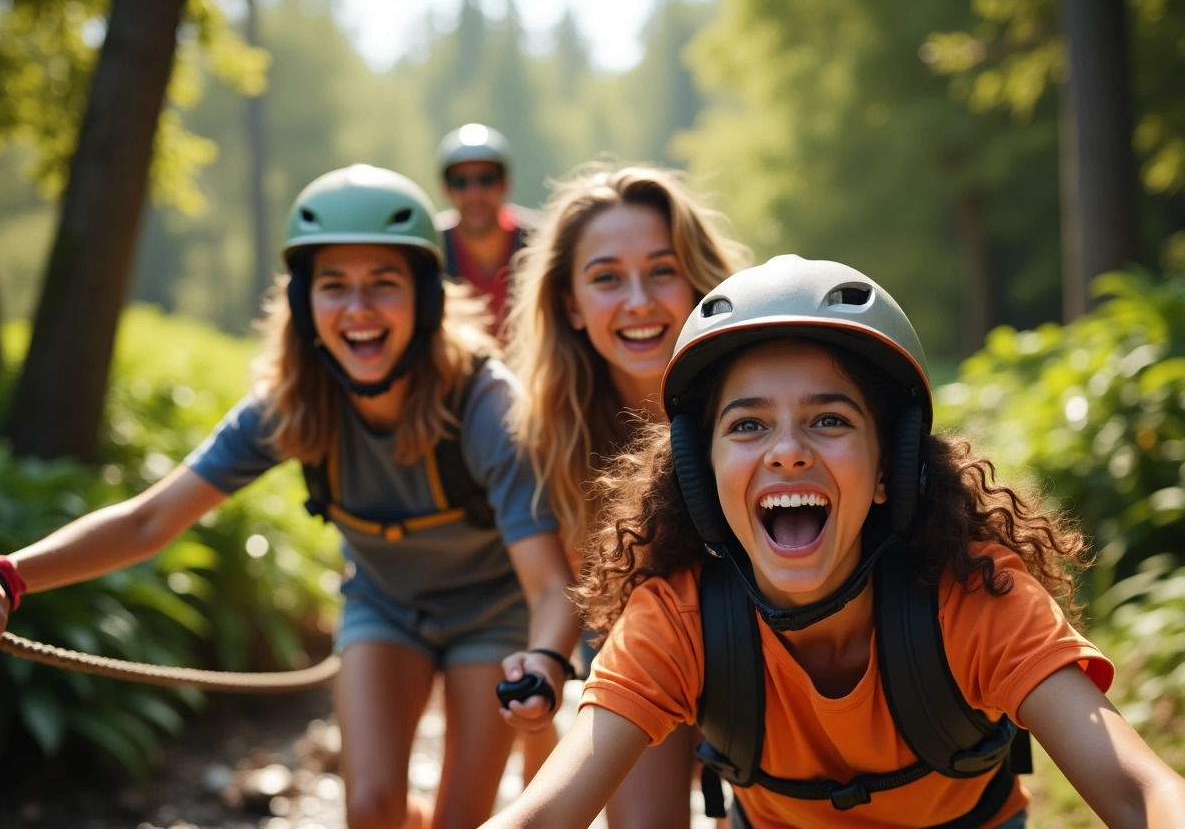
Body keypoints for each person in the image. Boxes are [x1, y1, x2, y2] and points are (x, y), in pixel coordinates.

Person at [0, 165, 580, 829]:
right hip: (385, 609)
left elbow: (550, 584)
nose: (358, 309)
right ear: (302, 303)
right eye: (334, 287)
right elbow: (150, 521)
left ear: (427, 298)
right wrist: (6, 577)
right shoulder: (290, 404)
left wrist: (546, 664)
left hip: (491, 615)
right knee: (370, 812)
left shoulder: (489, 407)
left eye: (384, 284)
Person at [483, 255, 1185, 828]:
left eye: (829, 421)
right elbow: (541, 819)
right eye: (748, 426)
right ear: (703, 478)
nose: (787, 452)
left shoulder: (974, 597)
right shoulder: (677, 619)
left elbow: (1139, 794)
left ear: (887, 470)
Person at [503, 162, 749, 824]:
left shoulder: (757, 397)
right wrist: (547, 660)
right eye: (607, 277)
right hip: (634, 652)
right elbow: (561, 586)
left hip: (769, 644)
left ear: (698, 280)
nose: (638, 300)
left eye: (662, 271)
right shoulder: (547, 430)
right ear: (570, 306)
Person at [435, 123, 535, 339]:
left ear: (505, 184)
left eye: (486, 179)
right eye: (460, 182)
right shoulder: (431, 249)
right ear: (446, 190)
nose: (474, 194)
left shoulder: (540, 244)